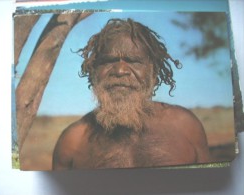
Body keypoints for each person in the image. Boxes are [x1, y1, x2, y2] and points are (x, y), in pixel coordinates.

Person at [52, 18, 210, 170]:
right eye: (108, 61)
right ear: (93, 72)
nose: (120, 71)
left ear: (153, 72)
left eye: (133, 61)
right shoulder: (73, 142)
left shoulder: (185, 126)